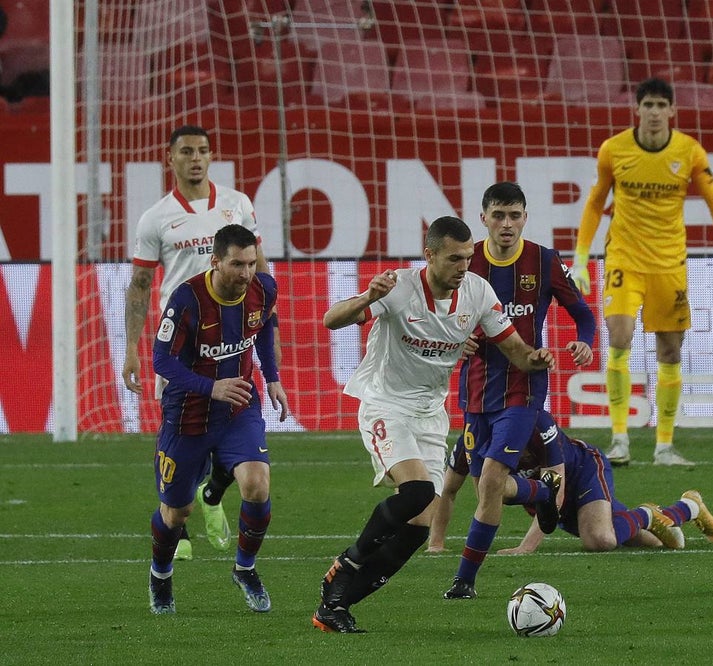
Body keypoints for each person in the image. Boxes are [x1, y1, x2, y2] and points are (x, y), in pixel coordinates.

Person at [312, 216, 555, 634]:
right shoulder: (399, 289)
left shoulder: (477, 292)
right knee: (419, 490)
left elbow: (515, 350)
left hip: (430, 414)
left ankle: (335, 606)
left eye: (467, 258)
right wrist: (366, 297)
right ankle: (346, 563)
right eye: (454, 259)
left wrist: (537, 358)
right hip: (385, 405)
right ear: (429, 255)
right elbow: (331, 319)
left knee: (419, 527)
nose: (463, 267)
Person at [571, 77, 713, 467]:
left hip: (670, 264)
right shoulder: (613, 150)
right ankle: (619, 439)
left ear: (672, 111)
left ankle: (664, 446)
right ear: (637, 109)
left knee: (670, 350)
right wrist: (582, 258)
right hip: (624, 259)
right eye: (647, 105)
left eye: (660, 105)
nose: (653, 112)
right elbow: (594, 203)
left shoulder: (688, 152)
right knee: (619, 337)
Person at [125, 125, 275, 559]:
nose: (196, 158)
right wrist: (132, 347)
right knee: (180, 433)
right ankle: (181, 521)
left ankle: (213, 495)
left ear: (212, 156)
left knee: (236, 426)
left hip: (233, 339)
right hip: (185, 343)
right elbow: (139, 284)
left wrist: (272, 332)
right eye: (187, 151)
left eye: (204, 151)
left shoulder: (236, 205)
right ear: (169, 158)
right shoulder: (155, 218)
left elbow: (260, 272)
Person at [444, 181, 596, 601]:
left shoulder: (544, 261)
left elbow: (583, 313)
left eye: (514, 216)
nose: (506, 224)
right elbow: (440, 312)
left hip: (523, 387)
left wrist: (585, 340)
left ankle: (464, 581)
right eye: (498, 215)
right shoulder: (466, 261)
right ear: (483, 218)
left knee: (492, 477)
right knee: (486, 489)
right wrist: (459, 341)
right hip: (475, 389)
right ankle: (542, 491)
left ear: (525, 218)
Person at [146, 224, 289, 615]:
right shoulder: (187, 299)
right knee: (177, 512)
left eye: (250, 263)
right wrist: (211, 388)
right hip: (187, 415)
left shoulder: (263, 288)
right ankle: (160, 575)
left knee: (257, 485)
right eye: (236, 264)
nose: (245, 273)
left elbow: (261, 327)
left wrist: (272, 376)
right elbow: (160, 360)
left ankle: (245, 569)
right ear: (215, 261)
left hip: (238, 408)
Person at [428, 411, 713, 555]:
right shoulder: (472, 440)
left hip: (582, 472)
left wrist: (526, 547)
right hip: (548, 501)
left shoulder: (536, 425)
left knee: (601, 540)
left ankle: (649, 513)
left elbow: (554, 488)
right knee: (653, 544)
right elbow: (448, 490)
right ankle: (688, 507)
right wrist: (436, 544)